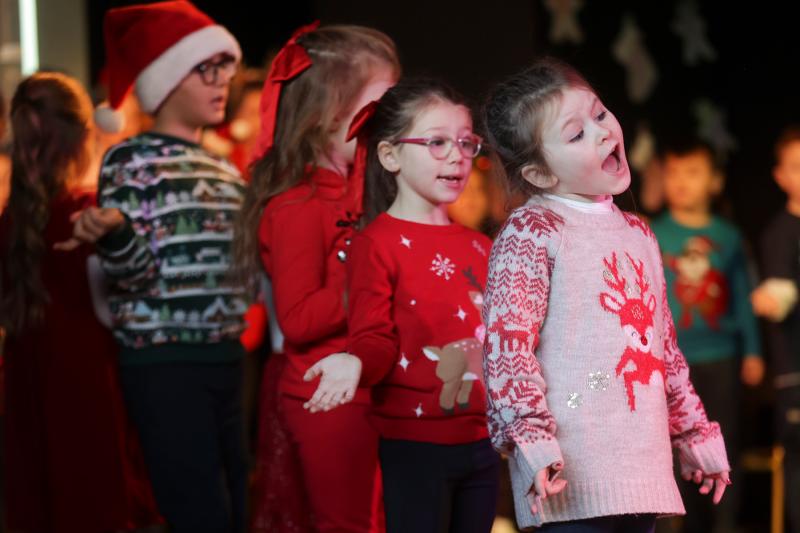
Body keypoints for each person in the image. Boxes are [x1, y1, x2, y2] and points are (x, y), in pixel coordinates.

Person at [481, 58, 730, 532]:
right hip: (568, 478)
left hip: (640, 474)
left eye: (599, 114)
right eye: (575, 135)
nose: (601, 133)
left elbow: (663, 351)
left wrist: (695, 433)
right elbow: (508, 348)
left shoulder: (638, 232)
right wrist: (531, 439)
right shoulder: (533, 229)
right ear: (538, 173)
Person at [58, 2, 249, 531]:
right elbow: (133, 276)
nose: (222, 82)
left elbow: (243, 274)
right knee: (197, 508)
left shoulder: (226, 170)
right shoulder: (130, 161)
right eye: (205, 69)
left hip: (227, 358)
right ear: (165, 78)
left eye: (225, 68)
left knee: (236, 502)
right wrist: (116, 231)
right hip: (163, 362)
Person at [306, 78, 500, 532]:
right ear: (390, 155)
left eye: (465, 142)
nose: (456, 155)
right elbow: (374, 337)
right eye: (436, 142)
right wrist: (356, 362)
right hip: (416, 447)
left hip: (484, 443)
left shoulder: (481, 246)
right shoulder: (376, 245)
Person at [234, 22, 400, 533]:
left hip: (371, 388)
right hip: (325, 395)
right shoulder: (296, 207)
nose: (394, 119)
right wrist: (371, 280)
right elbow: (300, 318)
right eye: (381, 104)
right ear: (330, 111)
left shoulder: (364, 191)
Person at [0, 71, 160, 533]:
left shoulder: (13, 220)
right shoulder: (94, 215)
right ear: (84, 138)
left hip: (28, 373)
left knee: (40, 493)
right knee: (92, 497)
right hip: (90, 379)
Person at [650, 139, 762, 533]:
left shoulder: (728, 237)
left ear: (715, 181)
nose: (681, 182)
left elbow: (745, 301)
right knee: (673, 444)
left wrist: (752, 351)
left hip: (720, 357)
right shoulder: (651, 232)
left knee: (723, 439)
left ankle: (726, 521)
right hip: (670, 362)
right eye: (674, 172)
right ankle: (682, 523)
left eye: (693, 172)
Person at [751, 125, 800, 533]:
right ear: (781, 177)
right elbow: (778, 297)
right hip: (795, 373)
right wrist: (771, 299)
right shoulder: (780, 234)